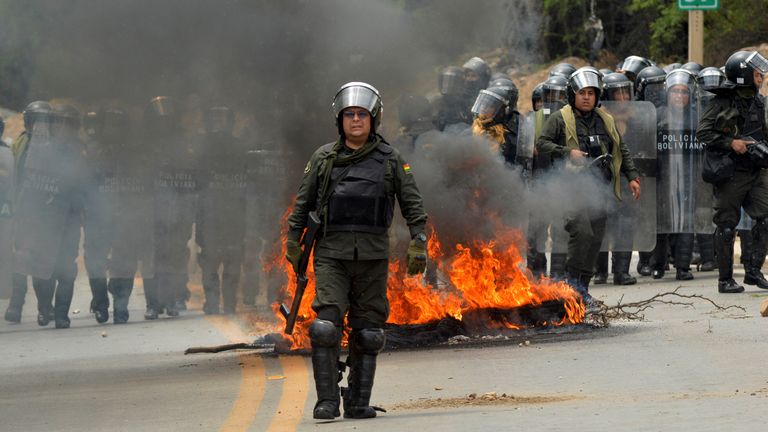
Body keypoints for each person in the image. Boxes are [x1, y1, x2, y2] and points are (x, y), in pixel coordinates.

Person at [286, 82, 427, 419]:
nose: (355, 120)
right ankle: (327, 401)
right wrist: (293, 239)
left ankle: (358, 401)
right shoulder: (323, 158)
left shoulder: (391, 160)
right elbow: (302, 203)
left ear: (373, 118)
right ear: (340, 120)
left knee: (369, 332)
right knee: (325, 327)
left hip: (373, 257)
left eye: (361, 114)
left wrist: (419, 242)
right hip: (331, 254)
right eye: (349, 115)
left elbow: (413, 205)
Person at [536, 67, 641, 308]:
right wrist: (566, 153)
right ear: (572, 94)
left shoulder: (605, 119)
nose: (586, 97)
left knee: (595, 240)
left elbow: (620, 148)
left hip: (599, 190)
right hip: (570, 189)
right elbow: (542, 143)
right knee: (582, 233)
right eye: (582, 92)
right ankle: (571, 287)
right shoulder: (560, 118)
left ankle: (582, 290)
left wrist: (632, 176)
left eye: (591, 93)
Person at [697, 50, 768, 293]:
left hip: (755, 171)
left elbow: (763, 132)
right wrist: (732, 143)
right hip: (730, 173)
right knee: (726, 225)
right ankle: (725, 279)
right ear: (745, 75)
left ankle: (753, 271)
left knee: (766, 217)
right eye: (757, 73)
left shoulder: (757, 101)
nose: (761, 77)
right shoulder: (721, 102)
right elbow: (703, 133)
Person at [196, 106, 247, 315]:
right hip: (211, 214)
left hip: (231, 215)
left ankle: (226, 304)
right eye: (215, 118)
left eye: (222, 118)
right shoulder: (203, 147)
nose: (219, 123)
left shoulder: (238, 148)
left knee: (230, 263)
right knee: (211, 263)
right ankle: (215, 303)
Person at [593, 73, 638, 286]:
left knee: (625, 224)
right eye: (616, 92)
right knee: (600, 224)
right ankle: (599, 271)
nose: (621, 97)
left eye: (624, 92)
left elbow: (635, 149)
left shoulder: (637, 117)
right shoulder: (598, 118)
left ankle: (622, 271)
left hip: (625, 179)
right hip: (601, 179)